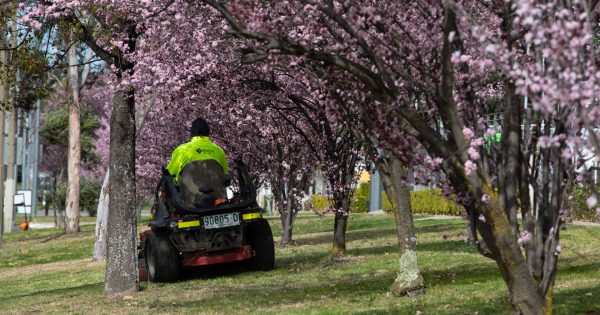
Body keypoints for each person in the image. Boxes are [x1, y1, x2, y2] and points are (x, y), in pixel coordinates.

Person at [166, 117, 229, 182]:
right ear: (208, 133)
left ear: (192, 133)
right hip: (216, 191)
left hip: (187, 191)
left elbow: (169, 175)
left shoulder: (182, 150)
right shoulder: (219, 151)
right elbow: (225, 175)